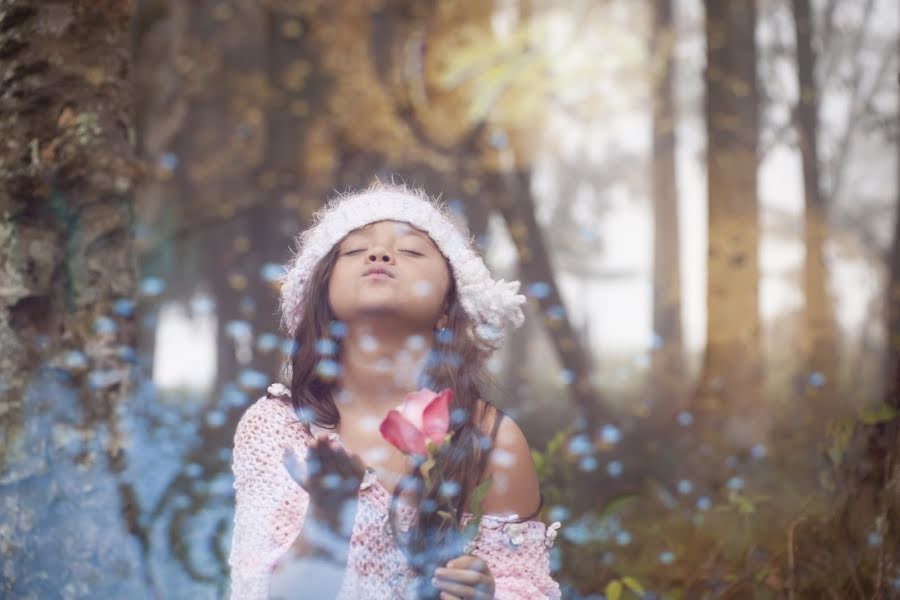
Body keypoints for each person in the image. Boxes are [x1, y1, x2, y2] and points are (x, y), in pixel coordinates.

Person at [228, 181, 563, 599]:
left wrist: (489, 595)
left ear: (449, 304)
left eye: (411, 251)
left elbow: (528, 587)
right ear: (323, 299)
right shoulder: (277, 429)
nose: (379, 255)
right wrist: (328, 518)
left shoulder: (490, 440)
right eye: (353, 250)